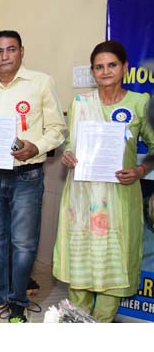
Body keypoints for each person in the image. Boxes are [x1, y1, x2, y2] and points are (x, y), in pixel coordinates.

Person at [0, 30, 66, 323]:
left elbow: (57, 129)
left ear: (21, 51)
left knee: (23, 244)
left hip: (27, 175)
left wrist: (38, 147)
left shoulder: (41, 83)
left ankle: (19, 299)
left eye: (10, 50)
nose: (4, 56)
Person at [54, 40, 152, 322]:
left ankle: (102, 327)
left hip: (120, 198)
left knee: (113, 262)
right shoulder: (80, 103)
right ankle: (77, 323)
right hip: (81, 198)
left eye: (112, 65)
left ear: (125, 67)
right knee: (80, 260)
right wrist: (67, 156)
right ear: (92, 72)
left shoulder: (140, 102)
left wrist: (140, 170)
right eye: (99, 67)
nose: (105, 71)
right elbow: (72, 143)